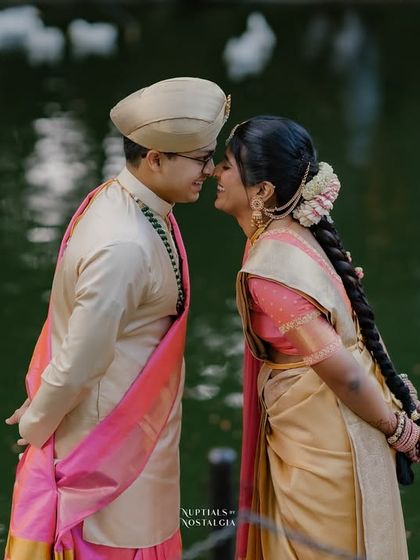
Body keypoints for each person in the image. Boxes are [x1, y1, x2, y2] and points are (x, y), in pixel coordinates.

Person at [4, 77, 231, 560]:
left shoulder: (132, 202)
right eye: (200, 159)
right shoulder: (123, 245)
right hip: (106, 457)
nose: (211, 171)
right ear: (154, 158)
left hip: (133, 437)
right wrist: (35, 428)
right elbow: (80, 360)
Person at [213, 115, 420, 559]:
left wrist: (399, 429)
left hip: (322, 449)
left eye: (228, 165)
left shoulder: (272, 268)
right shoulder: (300, 237)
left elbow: (342, 372)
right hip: (337, 428)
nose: (216, 172)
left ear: (263, 190)